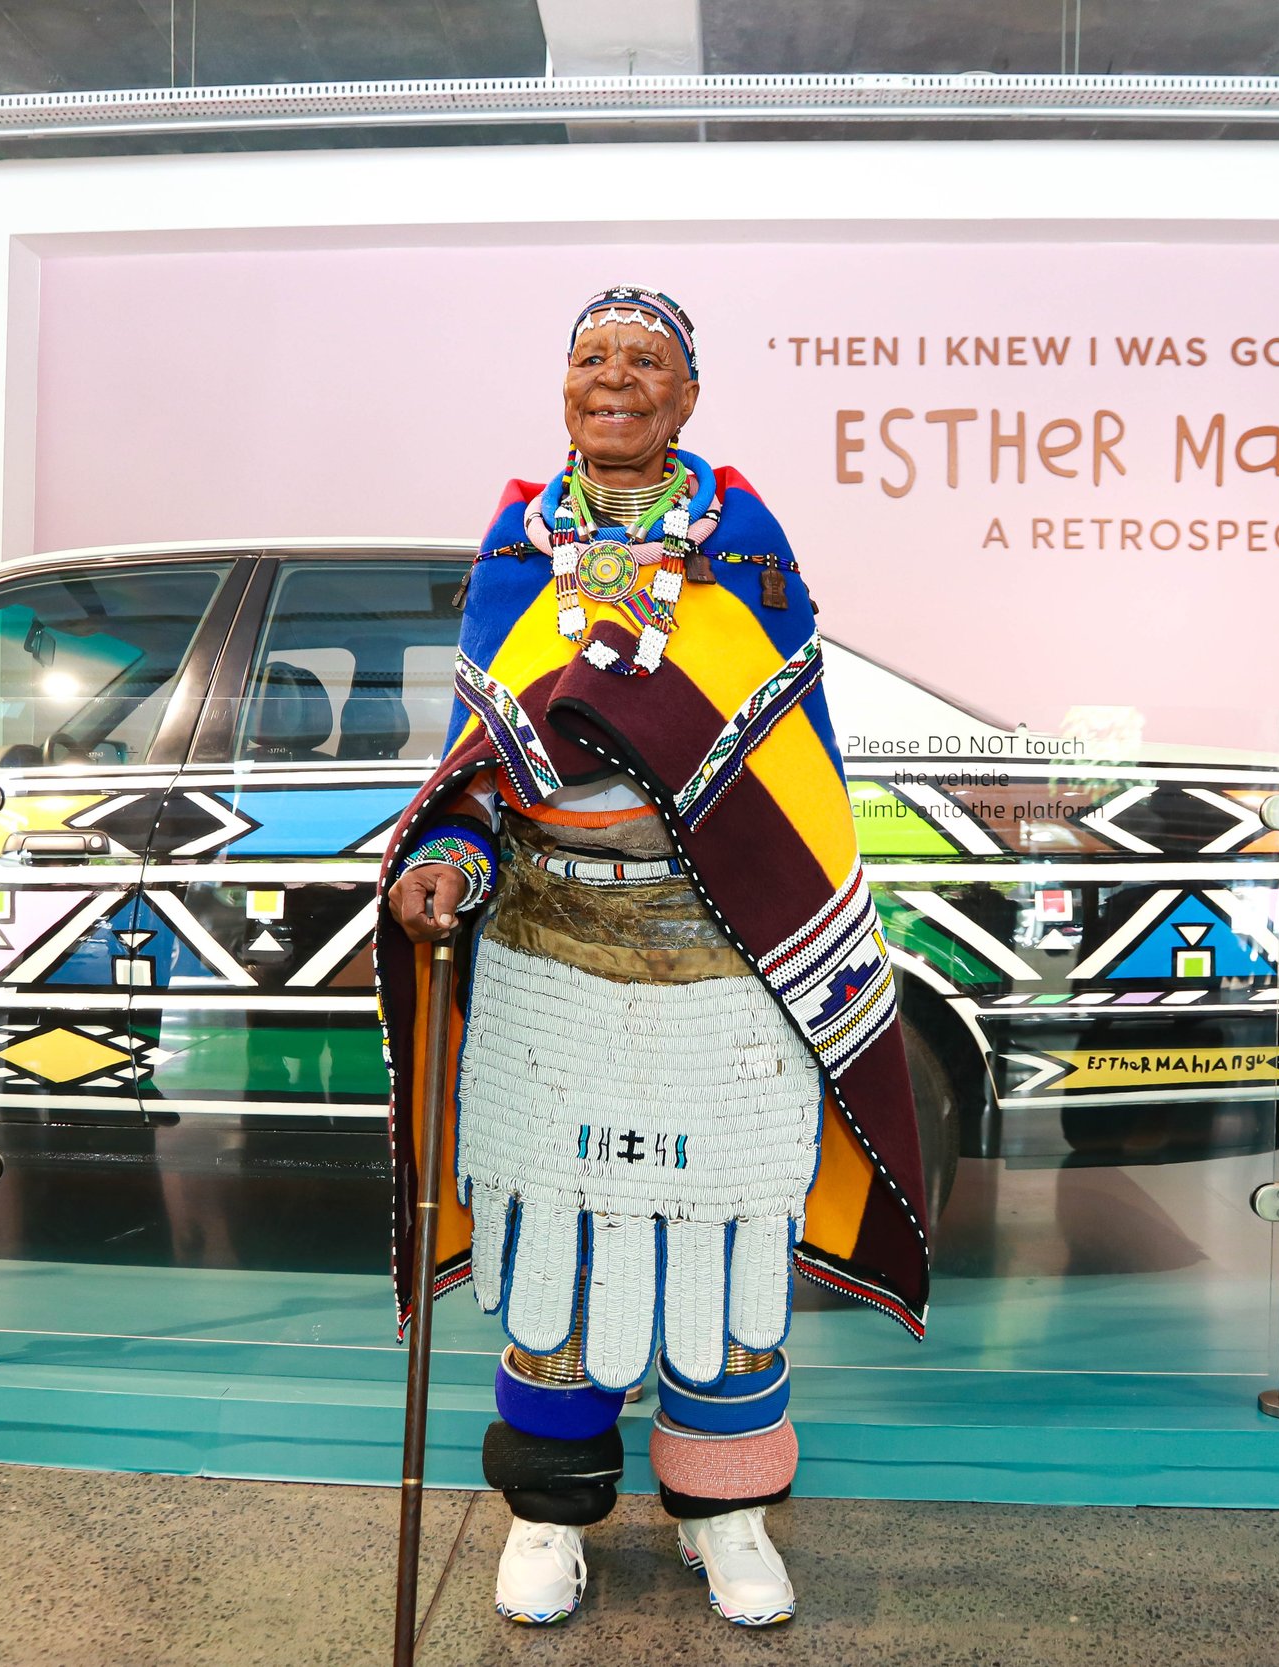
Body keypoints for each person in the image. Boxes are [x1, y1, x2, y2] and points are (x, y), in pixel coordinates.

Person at [375, 286, 928, 1630]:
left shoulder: (744, 539)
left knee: (731, 1244)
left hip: (718, 965)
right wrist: (448, 855)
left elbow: (789, 751)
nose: (614, 381)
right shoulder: (519, 540)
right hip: (549, 952)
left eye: (646, 364)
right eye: (591, 360)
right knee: (548, 1243)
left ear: (689, 398)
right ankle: (551, 1513)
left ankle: (725, 1514)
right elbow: (482, 751)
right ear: (563, 386)